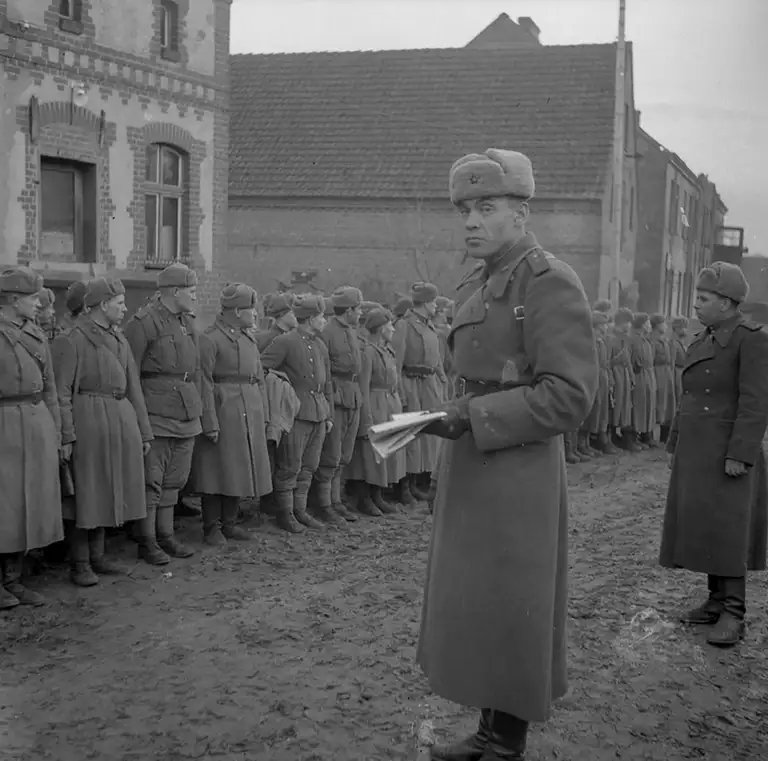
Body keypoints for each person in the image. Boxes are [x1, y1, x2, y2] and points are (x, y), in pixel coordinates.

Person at [417, 148, 597, 760]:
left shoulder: (547, 280)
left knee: (512, 600)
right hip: (476, 462)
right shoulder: (485, 278)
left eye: (486, 207)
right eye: (465, 208)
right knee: (483, 600)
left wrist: (471, 415)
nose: (471, 220)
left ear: (521, 212)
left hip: (517, 471)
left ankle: (503, 744)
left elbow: (569, 398)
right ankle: (493, 734)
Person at [661, 262, 768, 647]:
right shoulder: (704, 338)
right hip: (698, 449)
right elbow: (688, 397)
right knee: (707, 524)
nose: (696, 306)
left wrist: (741, 453)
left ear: (726, 302)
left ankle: (734, 612)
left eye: (703, 299)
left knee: (729, 529)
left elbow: (756, 403)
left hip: (727, 452)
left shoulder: (750, 339)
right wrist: (675, 444)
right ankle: (714, 601)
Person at [53, 277, 153, 586]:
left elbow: (134, 388)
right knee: (87, 491)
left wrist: (143, 431)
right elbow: (62, 394)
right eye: (120, 303)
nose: (125, 309)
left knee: (109, 488)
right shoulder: (71, 340)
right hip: (88, 421)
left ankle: (98, 556)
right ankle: (80, 563)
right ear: (100, 305)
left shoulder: (120, 339)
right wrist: (67, 435)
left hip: (119, 420)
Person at [123, 263, 202, 564]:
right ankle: (147, 540)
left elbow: (194, 368)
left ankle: (166, 535)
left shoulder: (186, 322)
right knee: (151, 481)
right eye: (192, 292)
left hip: (185, 410)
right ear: (175, 291)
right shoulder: (143, 323)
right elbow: (131, 373)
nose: (195, 297)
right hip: (155, 411)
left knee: (174, 479)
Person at [0, 267, 64, 609]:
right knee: (4, 504)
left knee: (27, 503)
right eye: (31, 298)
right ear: (11, 300)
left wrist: (55, 430)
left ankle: (14, 579)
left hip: (36, 421)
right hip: (4, 424)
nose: (38, 304)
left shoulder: (35, 334)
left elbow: (51, 388)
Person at [191, 284, 272, 545]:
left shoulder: (248, 338)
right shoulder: (210, 339)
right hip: (222, 408)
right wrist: (209, 421)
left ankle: (229, 523)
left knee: (239, 467)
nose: (255, 315)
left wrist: (265, 413)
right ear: (237, 311)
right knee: (217, 469)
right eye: (251, 309)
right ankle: (211, 527)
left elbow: (259, 378)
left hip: (249, 409)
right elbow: (203, 381)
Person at [261, 294, 334, 532]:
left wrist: (329, 414)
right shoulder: (286, 342)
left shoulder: (320, 345)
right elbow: (261, 368)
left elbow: (328, 383)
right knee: (289, 466)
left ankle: (300, 511)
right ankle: (285, 513)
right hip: (295, 414)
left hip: (319, 413)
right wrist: (281, 390)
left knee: (309, 465)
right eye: (322, 317)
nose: (324, 321)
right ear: (312, 319)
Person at [392, 281, 446, 505]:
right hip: (411, 382)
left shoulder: (430, 326)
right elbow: (396, 361)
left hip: (429, 384)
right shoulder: (405, 326)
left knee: (430, 436)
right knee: (411, 435)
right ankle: (406, 485)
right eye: (433, 301)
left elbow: (437, 359)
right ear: (424, 303)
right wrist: (400, 392)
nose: (436, 306)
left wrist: (442, 382)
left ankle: (423, 479)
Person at [347, 308, 405, 516]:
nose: (392, 329)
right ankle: (366, 497)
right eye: (389, 325)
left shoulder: (386, 350)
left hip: (389, 403)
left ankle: (377, 494)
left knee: (385, 451)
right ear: (380, 328)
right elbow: (363, 386)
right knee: (371, 454)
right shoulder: (368, 352)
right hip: (375, 402)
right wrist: (367, 416)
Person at [315, 287, 365, 523]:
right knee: (331, 453)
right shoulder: (328, 332)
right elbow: (322, 368)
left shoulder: (351, 332)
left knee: (344, 453)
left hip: (352, 394)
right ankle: (324, 504)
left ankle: (336, 500)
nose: (361, 313)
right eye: (358, 309)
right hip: (335, 395)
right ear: (350, 310)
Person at [584, 310, 616, 454]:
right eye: (603, 325)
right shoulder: (589, 342)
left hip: (602, 378)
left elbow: (606, 363)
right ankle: (581, 444)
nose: (606, 327)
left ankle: (589, 442)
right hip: (592, 378)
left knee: (599, 411)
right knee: (590, 410)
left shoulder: (602, 342)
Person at [610, 307, 638, 451]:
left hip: (625, 374)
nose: (629, 326)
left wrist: (631, 377)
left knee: (624, 407)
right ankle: (610, 436)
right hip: (615, 374)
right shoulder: (611, 337)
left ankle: (620, 435)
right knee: (614, 406)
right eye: (627, 322)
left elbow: (629, 360)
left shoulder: (626, 338)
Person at [629, 312, 657, 448]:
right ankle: (632, 436)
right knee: (638, 406)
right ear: (641, 325)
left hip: (648, 375)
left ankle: (646, 434)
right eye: (647, 324)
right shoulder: (634, 340)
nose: (650, 326)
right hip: (639, 376)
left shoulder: (646, 340)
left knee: (648, 405)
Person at [649, 313, 676, 443]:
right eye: (663, 323)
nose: (666, 326)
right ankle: (648, 434)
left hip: (667, 374)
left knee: (668, 404)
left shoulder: (665, 340)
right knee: (657, 403)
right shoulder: (652, 341)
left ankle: (665, 435)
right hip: (657, 373)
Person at [670, 316, 689, 411]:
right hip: (676, 373)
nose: (685, 330)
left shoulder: (682, 343)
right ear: (677, 328)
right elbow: (672, 362)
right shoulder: (673, 343)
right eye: (683, 327)